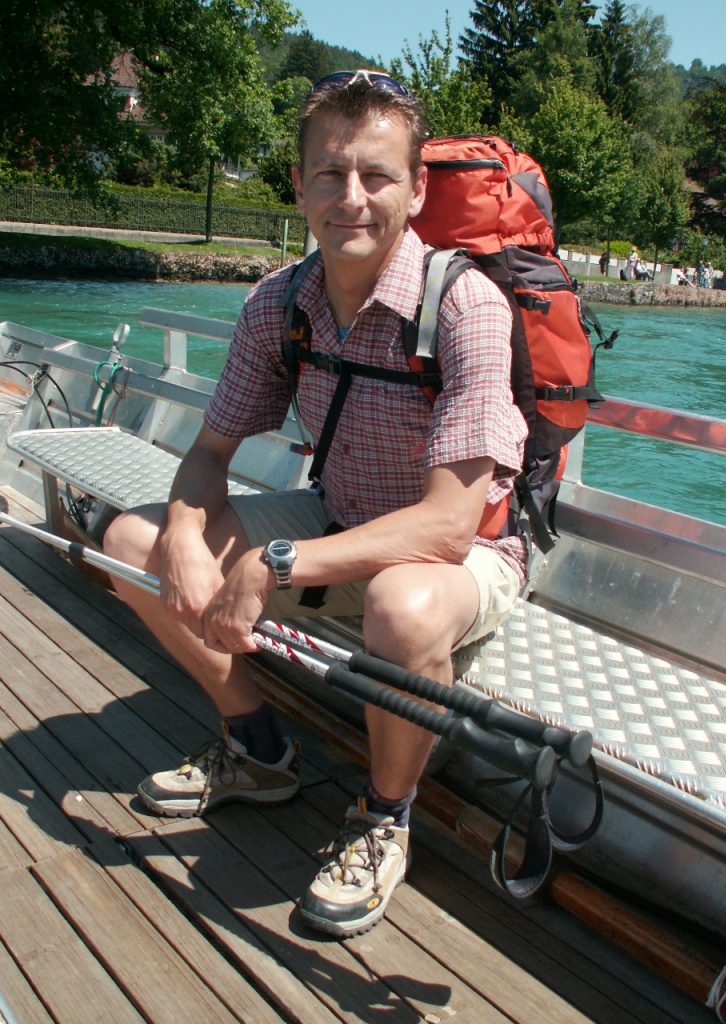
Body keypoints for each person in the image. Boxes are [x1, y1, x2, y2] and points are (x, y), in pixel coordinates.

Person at [103, 70, 527, 938]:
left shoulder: (464, 306)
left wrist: (273, 564)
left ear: (416, 190)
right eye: (330, 173)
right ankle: (258, 749)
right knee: (128, 541)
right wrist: (182, 535)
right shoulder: (279, 302)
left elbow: (449, 525)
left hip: (462, 555)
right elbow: (209, 456)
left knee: (400, 606)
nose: (352, 197)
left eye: (376, 175)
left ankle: (385, 818)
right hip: (337, 520)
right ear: (299, 186)